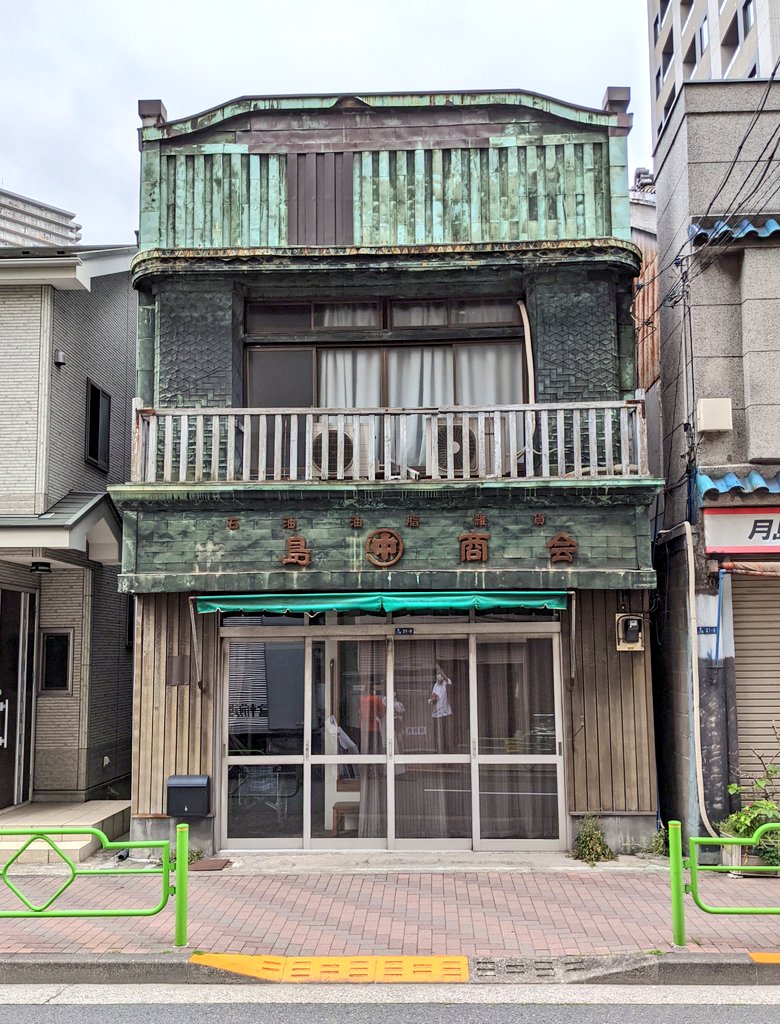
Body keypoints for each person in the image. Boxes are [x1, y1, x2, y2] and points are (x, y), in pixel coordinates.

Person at [428, 666, 453, 753]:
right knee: (438, 735)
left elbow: (448, 681)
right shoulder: (435, 685)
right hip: (436, 713)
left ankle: (448, 752)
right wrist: (432, 700)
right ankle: (439, 752)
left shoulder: (446, 682)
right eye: (438, 674)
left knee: (447, 734)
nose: (439, 676)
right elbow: (435, 697)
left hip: (446, 712)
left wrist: (442, 673)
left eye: (441, 675)